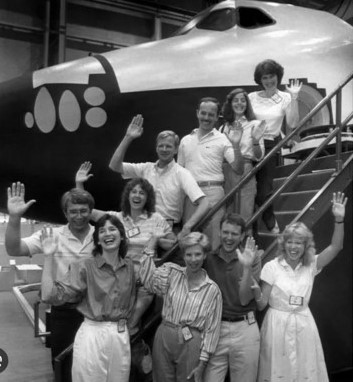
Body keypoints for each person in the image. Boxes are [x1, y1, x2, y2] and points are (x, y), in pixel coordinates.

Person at [251, 192, 347, 382]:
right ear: (283, 243)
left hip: (304, 323)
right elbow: (261, 305)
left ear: (306, 246)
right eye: (290, 242)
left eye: (299, 243)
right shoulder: (272, 267)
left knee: (305, 371)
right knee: (277, 372)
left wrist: (339, 220)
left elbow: (336, 247)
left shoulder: (311, 264)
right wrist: (254, 290)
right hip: (277, 325)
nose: (294, 247)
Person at [5, 182, 95, 382]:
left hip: (96, 313)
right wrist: (14, 218)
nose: (78, 216)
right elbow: (14, 249)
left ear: (91, 211)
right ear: (65, 213)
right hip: (64, 313)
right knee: (62, 364)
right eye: (73, 211)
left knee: (92, 366)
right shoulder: (51, 235)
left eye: (83, 211)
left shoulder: (102, 235)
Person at [75, 161, 176, 336]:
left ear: (147, 198)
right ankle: (126, 333)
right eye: (134, 192)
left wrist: (160, 239)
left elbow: (171, 243)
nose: (137, 195)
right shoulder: (115, 218)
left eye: (142, 193)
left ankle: (130, 327)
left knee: (147, 289)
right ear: (128, 196)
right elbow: (88, 210)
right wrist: (79, 184)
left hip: (144, 277)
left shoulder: (156, 218)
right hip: (120, 276)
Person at [41, 214, 136, 382]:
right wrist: (48, 256)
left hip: (121, 336)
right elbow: (49, 295)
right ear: (97, 240)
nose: (108, 234)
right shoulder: (85, 267)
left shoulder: (129, 267)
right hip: (93, 334)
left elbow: (149, 286)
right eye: (102, 231)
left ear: (121, 236)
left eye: (113, 229)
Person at [139, 232, 223, 382]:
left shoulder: (212, 290)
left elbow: (212, 330)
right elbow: (148, 280)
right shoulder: (171, 272)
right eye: (189, 255)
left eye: (198, 254)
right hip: (164, 334)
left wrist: (202, 365)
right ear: (183, 256)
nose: (193, 259)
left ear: (205, 255)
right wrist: (153, 240)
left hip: (192, 340)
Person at [108, 115, 209, 238]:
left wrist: (187, 227)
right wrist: (128, 137)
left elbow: (205, 203)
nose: (164, 149)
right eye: (161, 146)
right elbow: (114, 166)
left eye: (168, 146)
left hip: (169, 232)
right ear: (156, 148)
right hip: (143, 227)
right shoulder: (145, 168)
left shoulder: (182, 173)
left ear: (176, 149)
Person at [177, 97, 244, 249]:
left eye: (211, 114)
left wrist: (236, 145)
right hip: (191, 195)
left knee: (214, 244)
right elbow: (179, 173)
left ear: (216, 116)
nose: (206, 118)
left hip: (214, 194)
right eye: (203, 113)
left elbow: (238, 169)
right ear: (197, 113)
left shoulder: (223, 139)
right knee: (190, 244)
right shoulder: (185, 140)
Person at [203, 213, 262, 382]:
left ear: (242, 235)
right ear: (219, 232)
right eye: (225, 232)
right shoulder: (209, 258)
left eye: (234, 234)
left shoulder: (253, 257)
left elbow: (244, 299)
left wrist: (247, 267)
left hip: (245, 328)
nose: (229, 237)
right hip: (216, 329)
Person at [248, 59, 302, 234]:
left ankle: (270, 223)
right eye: (265, 77)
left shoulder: (285, 97)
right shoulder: (251, 97)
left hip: (270, 144)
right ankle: (252, 228)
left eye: (272, 76)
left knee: (264, 190)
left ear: (278, 77)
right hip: (250, 143)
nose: (269, 80)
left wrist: (294, 97)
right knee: (248, 189)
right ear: (260, 79)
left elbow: (293, 123)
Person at [219, 88, 265, 232]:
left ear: (247, 104)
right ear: (230, 104)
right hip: (226, 171)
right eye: (236, 100)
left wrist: (256, 141)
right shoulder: (223, 127)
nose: (240, 103)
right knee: (228, 216)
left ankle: (246, 252)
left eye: (243, 100)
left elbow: (259, 156)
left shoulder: (254, 124)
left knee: (245, 217)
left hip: (245, 170)